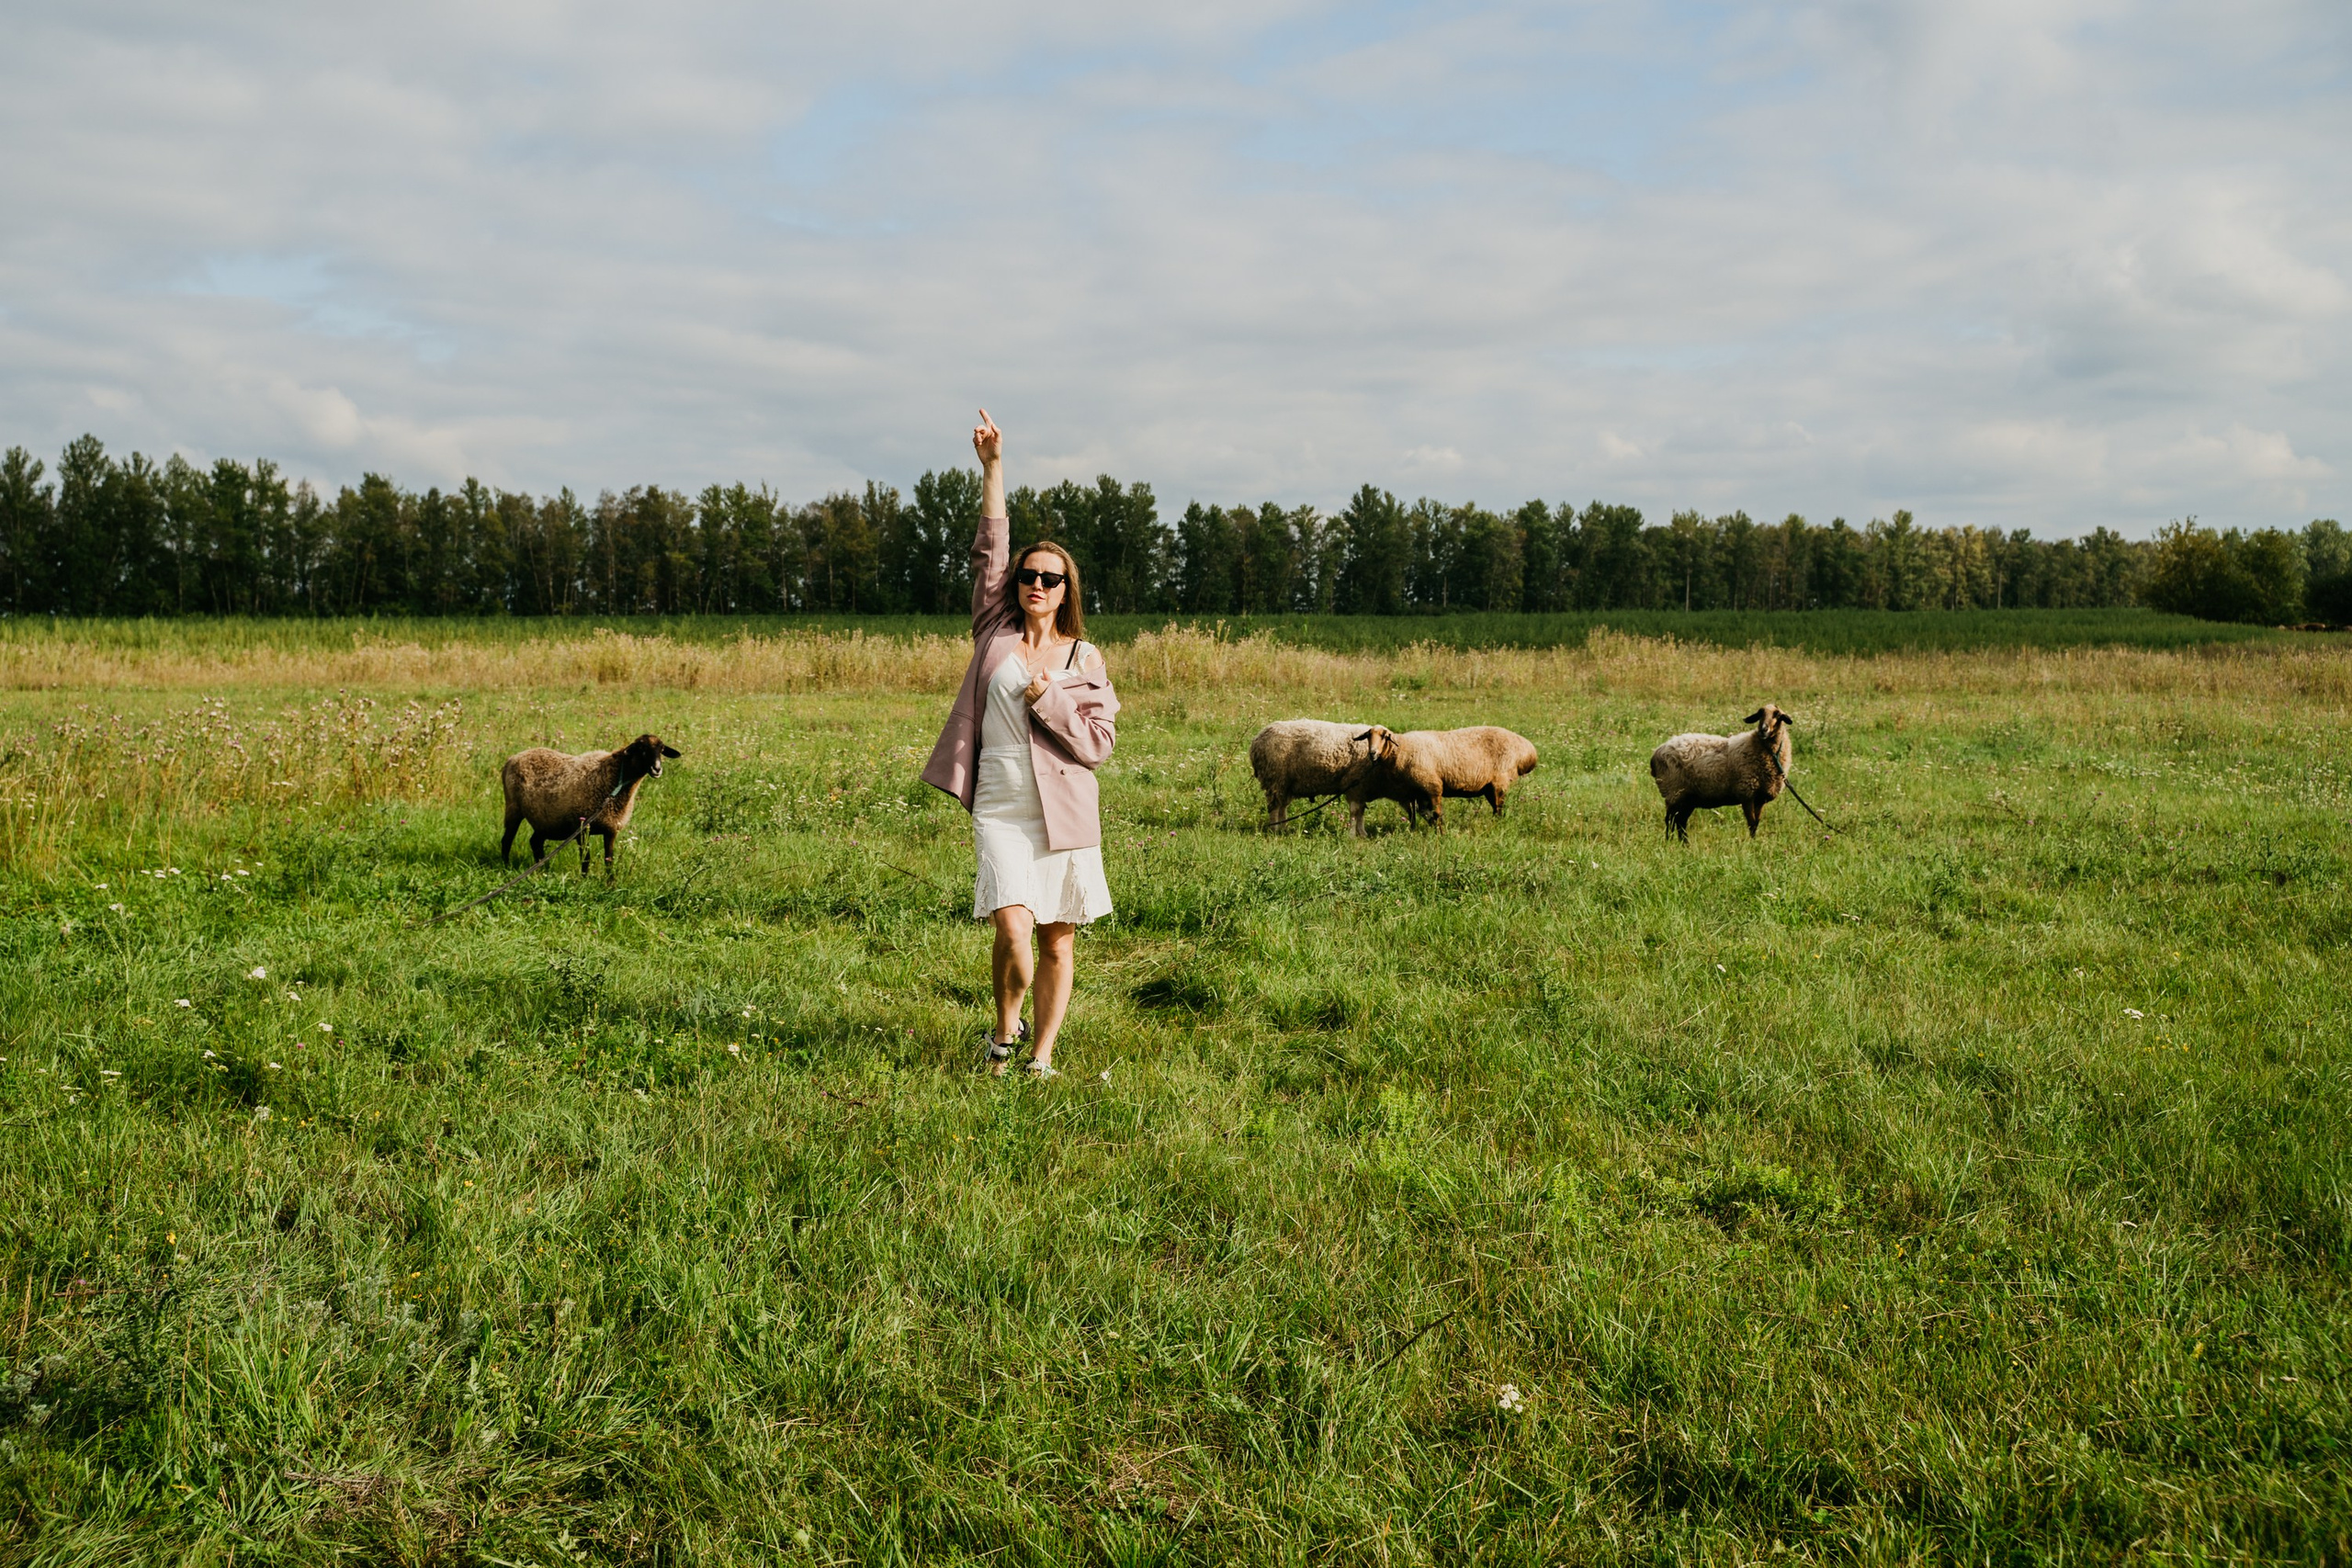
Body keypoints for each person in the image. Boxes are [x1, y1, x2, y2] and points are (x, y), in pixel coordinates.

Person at [920, 410, 1120, 1077]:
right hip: (1001, 803)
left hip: (1064, 814)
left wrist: (1049, 696)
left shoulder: (1083, 656)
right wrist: (994, 468)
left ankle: (1040, 1055)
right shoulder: (994, 630)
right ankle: (1004, 1028)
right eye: (1029, 575)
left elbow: (1098, 744)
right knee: (1012, 927)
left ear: (1067, 592)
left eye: (1050, 579)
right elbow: (990, 548)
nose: (1036, 583)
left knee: (1058, 940)